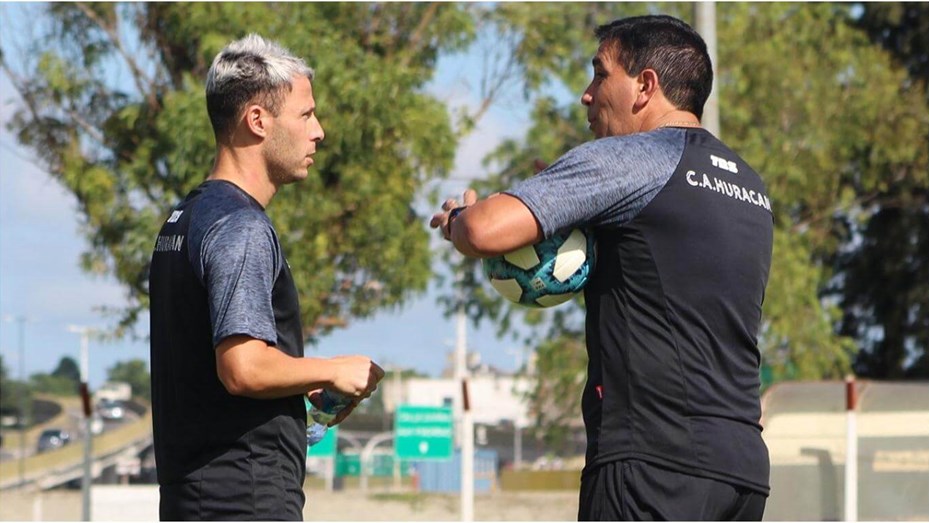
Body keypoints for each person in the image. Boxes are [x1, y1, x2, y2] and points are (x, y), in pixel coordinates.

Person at [431, 15, 772, 521]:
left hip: (654, 464)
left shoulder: (632, 156)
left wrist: (459, 218)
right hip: (741, 469)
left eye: (599, 74)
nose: (586, 95)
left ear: (645, 86)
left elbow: (486, 231)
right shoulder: (749, 185)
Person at [149, 34, 384, 520]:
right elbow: (243, 368)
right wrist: (332, 369)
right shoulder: (241, 226)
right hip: (244, 502)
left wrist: (301, 384)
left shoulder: (186, 219)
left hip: (193, 502)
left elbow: (215, 376)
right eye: (306, 115)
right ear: (258, 120)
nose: (318, 132)